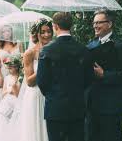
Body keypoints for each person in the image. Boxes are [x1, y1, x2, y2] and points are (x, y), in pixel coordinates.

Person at [36, 12, 93, 141]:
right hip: (77, 107)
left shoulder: (46, 51)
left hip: (55, 108)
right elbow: (89, 79)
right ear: (71, 26)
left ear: (55, 26)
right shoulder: (83, 49)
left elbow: (42, 81)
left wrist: (53, 95)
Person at [86, 9, 122, 141]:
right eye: (94, 23)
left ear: (109, 24)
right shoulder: (90, 46)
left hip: (112, 105)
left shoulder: (121, 46)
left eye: (99, 22)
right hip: (93, 104)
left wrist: (105, 75)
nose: (95, 26)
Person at [19, 18, 53, 141]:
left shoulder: (56, 49)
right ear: (36, 34)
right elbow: (29, 81)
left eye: (49, 31)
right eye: (43, 32)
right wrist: (45, 65)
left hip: (52, 94)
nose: (46, 34)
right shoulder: (30, 53)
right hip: (36, 94)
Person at [0, 55, 22, 141]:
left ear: (17, 67)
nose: (9, 67)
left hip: (16, 102)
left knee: (15, 120)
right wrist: (9, 90)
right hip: (7, 101)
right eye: (8, 66)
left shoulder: (21, 78)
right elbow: (3, 93)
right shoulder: (7, 78)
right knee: (3, 117)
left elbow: (19, 95)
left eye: (11, 66)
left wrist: (14, 88)